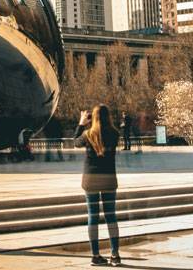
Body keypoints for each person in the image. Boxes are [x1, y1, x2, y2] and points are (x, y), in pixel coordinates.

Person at [76, 105, 122, 266]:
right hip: (108, 179)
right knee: (111, 216)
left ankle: (95, 255)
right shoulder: (115, 134)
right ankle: (115, 254)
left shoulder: (87, 134)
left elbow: (75, 143)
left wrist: (81, 123)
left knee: (92, 217)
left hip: (90, 180)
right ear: (108, 116)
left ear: (93, 117)